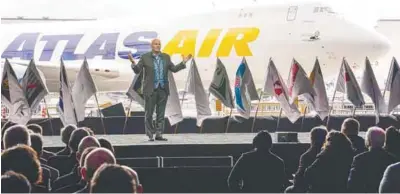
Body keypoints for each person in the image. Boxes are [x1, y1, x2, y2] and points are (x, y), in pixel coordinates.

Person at [128, 39, 192, 141]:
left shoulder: (166, 57)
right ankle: (150, 134)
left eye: (159, 44)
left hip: (163, 89)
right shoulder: (145, 57)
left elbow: (174, 69)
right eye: (155, 44)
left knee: (161, 114)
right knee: (149, 113)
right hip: (150, 90)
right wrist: (132, 62)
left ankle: (159, 134)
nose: (157, 46)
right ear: (151, 46)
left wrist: (183, 62)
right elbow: (137, 70)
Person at [348, 127, 398, 193]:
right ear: (384, 141)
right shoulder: (393, 159)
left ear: (368, 140)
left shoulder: (359, 159)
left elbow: (353, 184)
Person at [285, 126, 327, 193]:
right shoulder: (327, 154)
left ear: (312, 139)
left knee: (288, 190)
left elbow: (300, 177)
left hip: (308, 189)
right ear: (325, 139)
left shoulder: (306, 156)